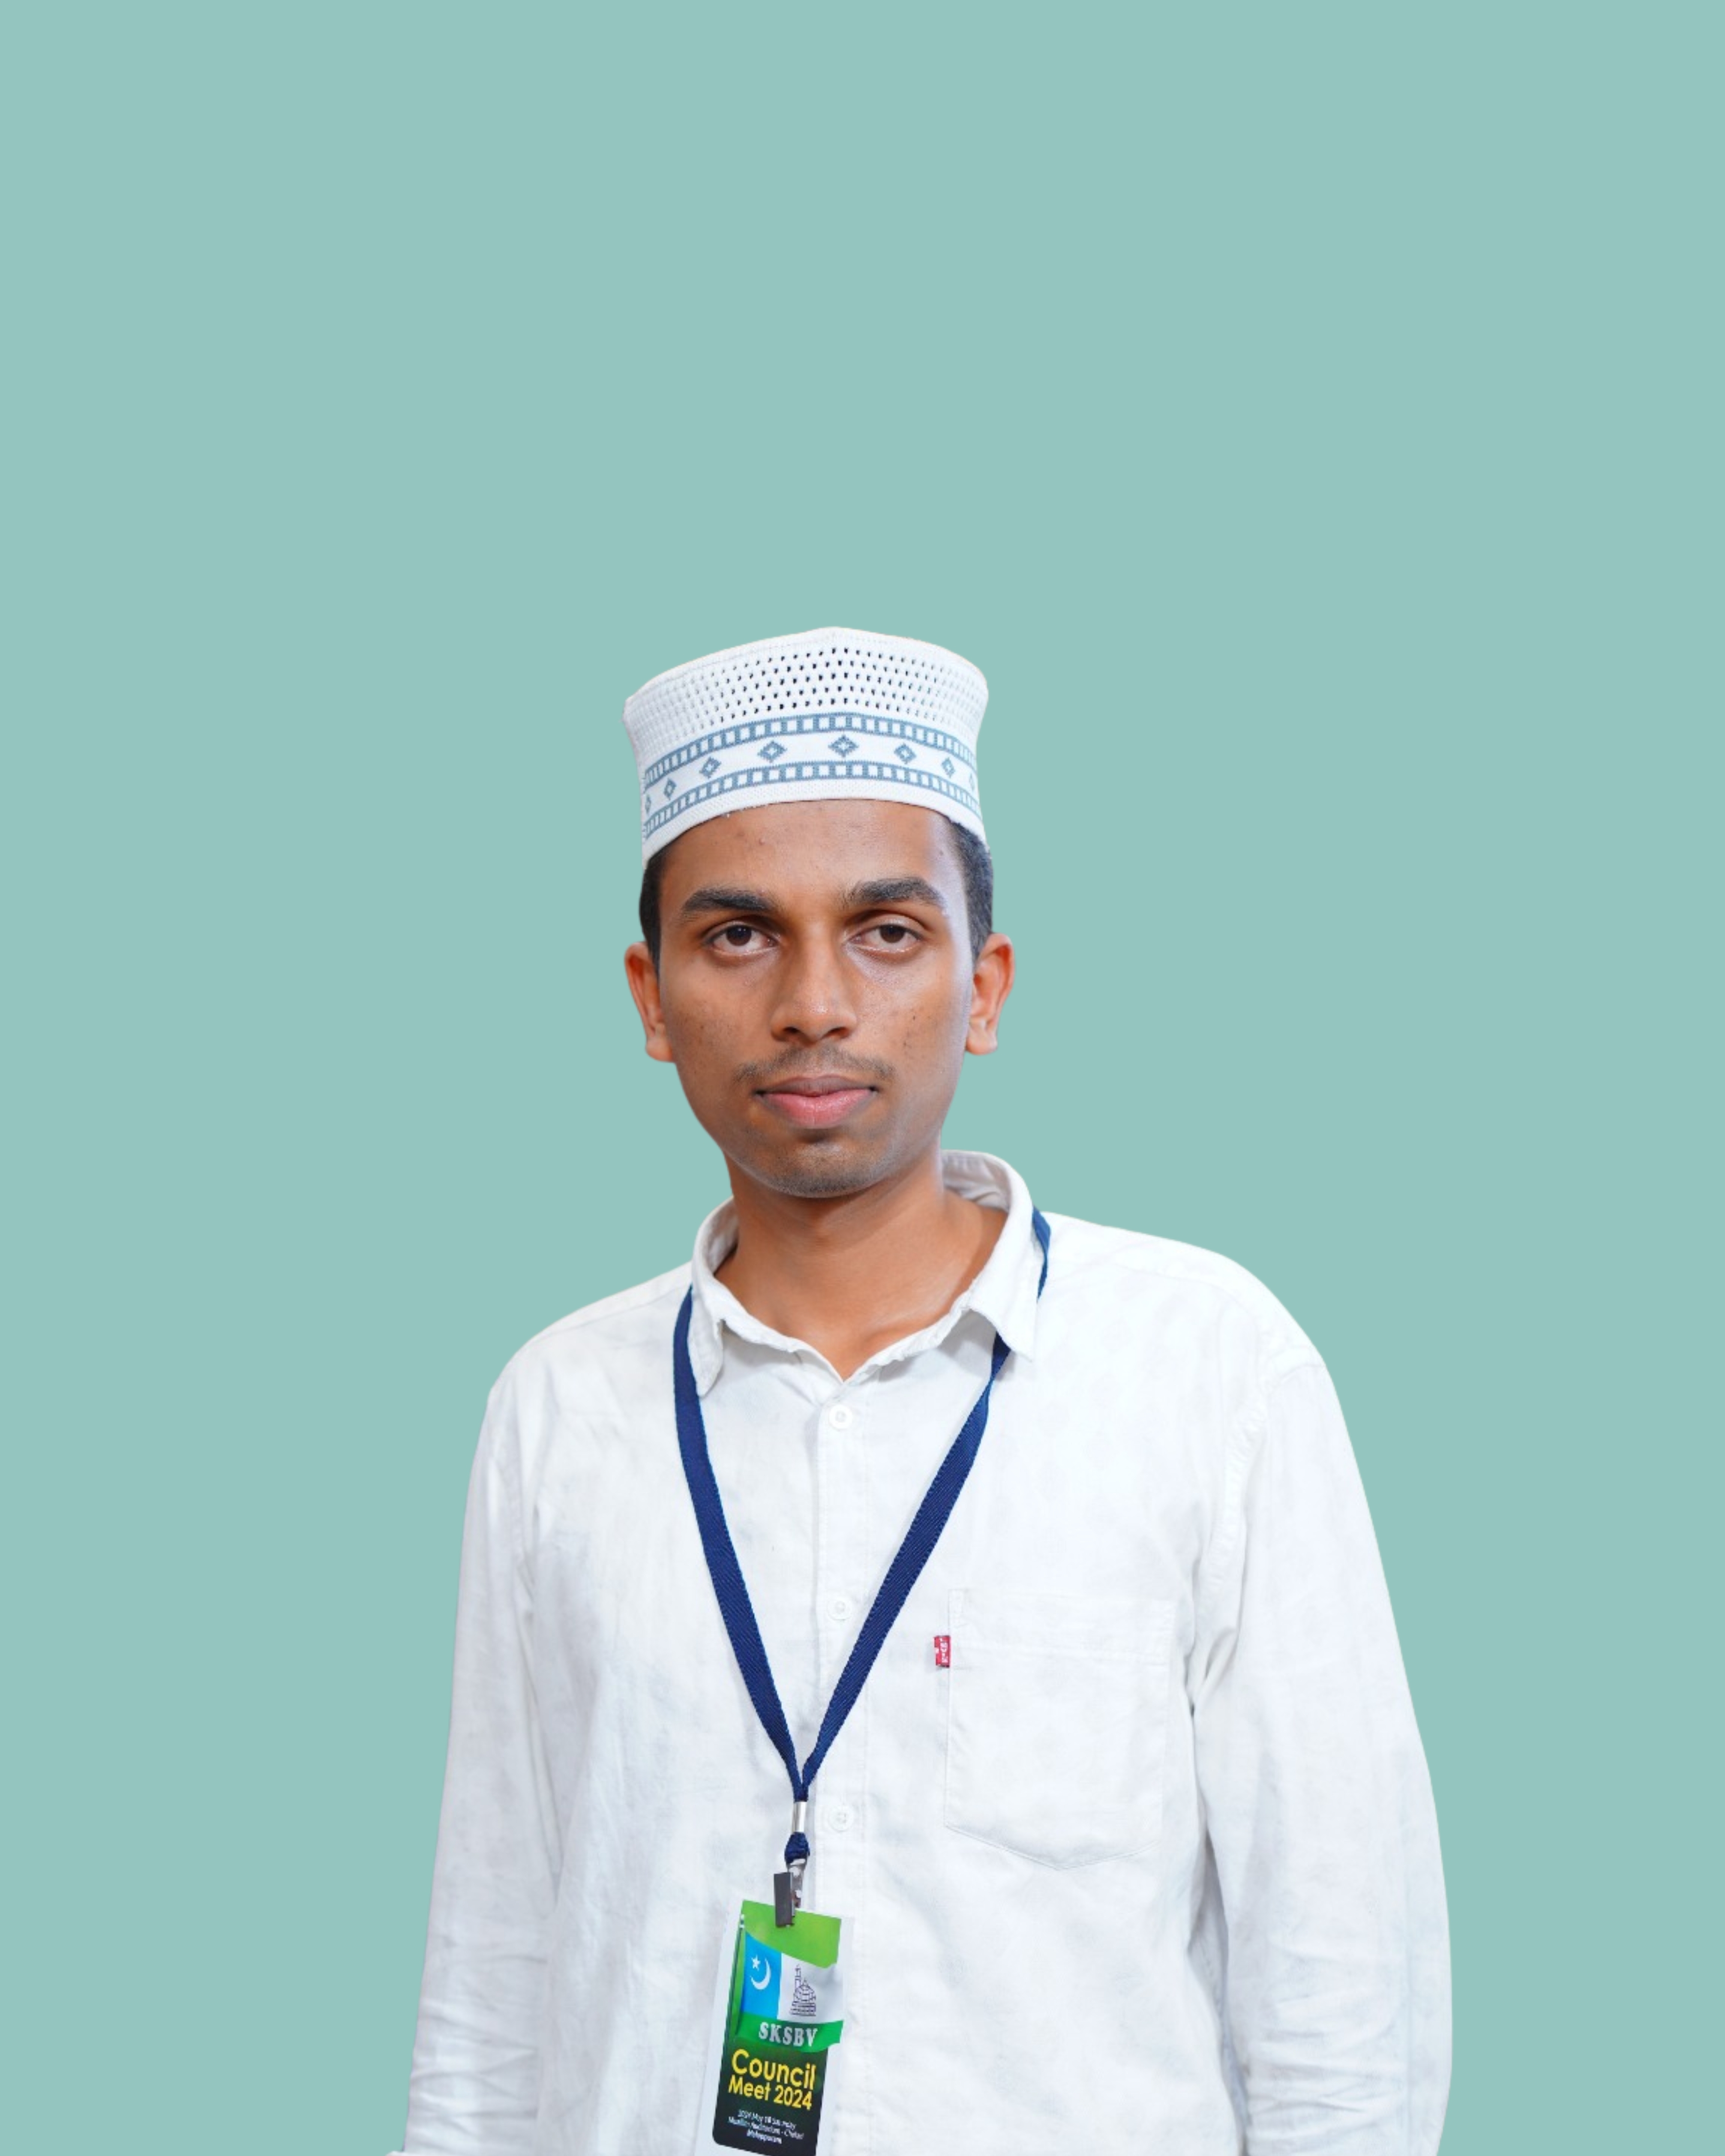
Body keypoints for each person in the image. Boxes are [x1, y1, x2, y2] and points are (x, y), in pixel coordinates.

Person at [392, 627, 1451, 2156]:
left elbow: (1343, 1988)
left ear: (984, 985)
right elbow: (493, 1980)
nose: (814, 1002)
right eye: (738, 935)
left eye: (886, 931)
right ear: (650, 996)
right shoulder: (561, 1409)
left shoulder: (1207, 1368)